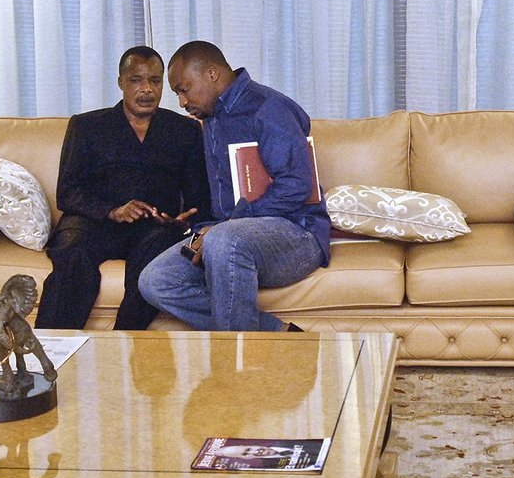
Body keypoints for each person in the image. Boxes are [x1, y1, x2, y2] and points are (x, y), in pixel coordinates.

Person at [138, 41, 330, 332]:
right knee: (155, 280)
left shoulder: (268, 108)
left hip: (297, 235)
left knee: (222, 239)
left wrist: (227, 225)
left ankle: (234, 370)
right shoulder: (211, 116)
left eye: (184, 89)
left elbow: (296, 185)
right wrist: (204, 226)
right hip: (230, 235)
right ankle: (281, 334)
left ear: (212, 74)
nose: (181, 101)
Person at [34, 46, 210, 331]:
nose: (146, 90)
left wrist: (182, 220)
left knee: (156, 256)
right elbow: (68, 192)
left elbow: (198, 198)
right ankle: (48, 352)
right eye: (136, 80)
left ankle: (124, 345)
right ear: (121, 83)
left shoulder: (185, 130)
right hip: (93, 222)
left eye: (154, 81)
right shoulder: (86, 126)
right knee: (73, 257)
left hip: (151, 227)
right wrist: (112, 211)